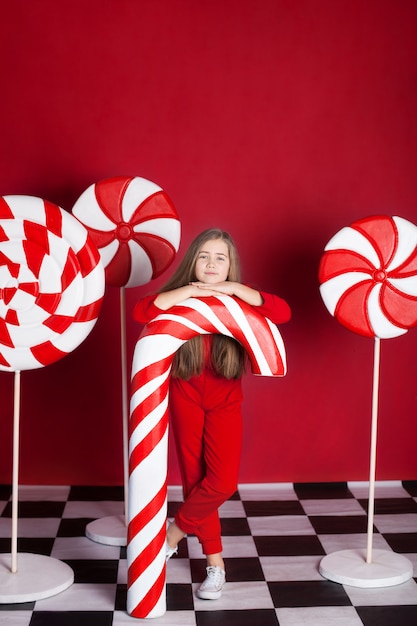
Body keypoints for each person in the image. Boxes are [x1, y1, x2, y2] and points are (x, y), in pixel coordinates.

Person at [133, 228, 291, 600]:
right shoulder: (178, 296)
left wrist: (236, 291)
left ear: (230, 265)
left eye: (220, 258)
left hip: (225, 399)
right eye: (204, 255)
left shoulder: (240, 298)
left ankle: (172, 534)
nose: (211, 264)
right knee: (194, 479)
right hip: (183, 394)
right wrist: (187, 292)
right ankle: (215, 565)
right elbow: (142, 310)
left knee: (220, 483)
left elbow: (282, 312)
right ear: (193, 260)